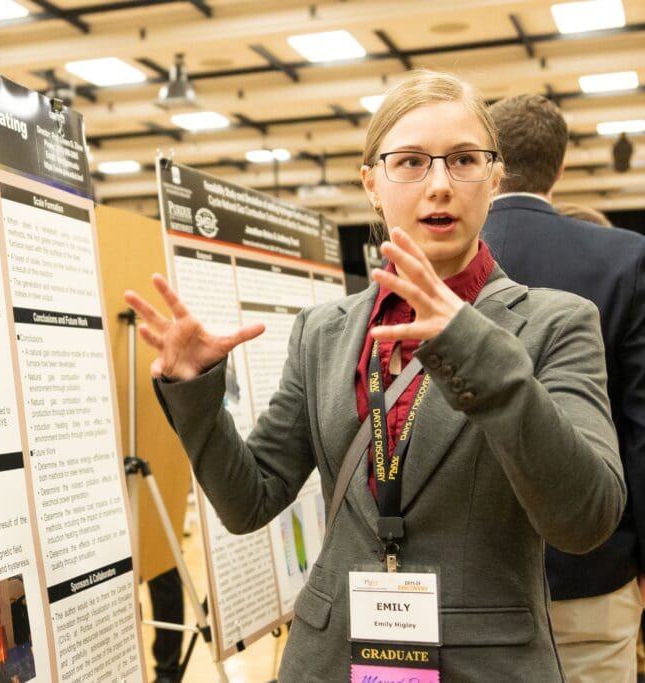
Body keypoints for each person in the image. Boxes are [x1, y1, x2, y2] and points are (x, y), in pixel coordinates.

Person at [123, 70, 625, 681]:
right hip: (333, 658)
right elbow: (251, 499)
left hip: (484, 663)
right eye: (411, 162)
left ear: (495, 179)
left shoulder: (556, 323)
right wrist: (197, 389)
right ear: (372, 183)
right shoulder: (325, 331)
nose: (439, 184)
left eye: (464, 160)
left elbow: (586, 518)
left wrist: (470, 344)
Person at [483, 93, 645, 683]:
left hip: (468, 578)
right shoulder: (625, 259)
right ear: (563, 166)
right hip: (593, 571)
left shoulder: (439, 260)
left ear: (488, 161)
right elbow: (640, 430)